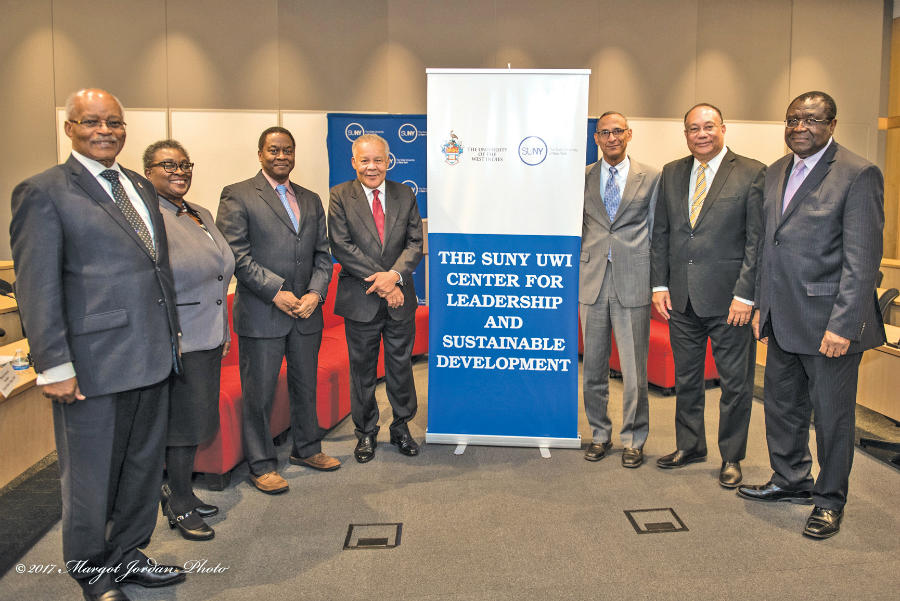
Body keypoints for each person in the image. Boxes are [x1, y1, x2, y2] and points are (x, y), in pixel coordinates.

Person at [10, 88, 184, 601]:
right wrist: (53, 365)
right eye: (92, 122)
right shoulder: (42, 192)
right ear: (70, 128)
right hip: (91, 365)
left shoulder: (138, 185)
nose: (105, 130)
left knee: (141, 468)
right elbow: (36, 287)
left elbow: (157, 268)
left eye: (114, 122)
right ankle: (92, 574)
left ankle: (128, 553)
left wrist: (172, 336)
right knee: (90, 476)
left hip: (152, 356)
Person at [738, 91, 885, 539]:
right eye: (792, 119)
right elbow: (768, 244)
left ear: (832, 124)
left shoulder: (858, 174)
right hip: (781, 320)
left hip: (829, 326)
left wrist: (844, 324)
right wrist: (761, 305)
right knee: (782, 409)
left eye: (811, 119)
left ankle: (828, 500)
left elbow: (862, 261)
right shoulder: (777, 171)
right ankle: (790, 479)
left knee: (832, 418)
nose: (800, 126)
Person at [216, 126, 339, 496]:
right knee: (260, 393)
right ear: (260, 154)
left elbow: (322, 252)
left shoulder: (311, 198)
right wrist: (277, 292)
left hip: (306, 313)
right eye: (273, 150)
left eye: (287, 150)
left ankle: (307, 449)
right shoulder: (237, 195)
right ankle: (261, 464)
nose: (281, 156)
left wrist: (317, 293)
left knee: (305, 385)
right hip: (263, 313)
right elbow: (236, 255)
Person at [650, 103, 765, 488]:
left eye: (708, 126)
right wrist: (659, 285)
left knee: (735, 384)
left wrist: (746, 296)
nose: (701, 134)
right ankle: (690, 446)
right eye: (693, 128)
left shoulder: (751, 172)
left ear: (723, 128)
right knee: (687, 379)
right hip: (680, 300)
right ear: (685, 134)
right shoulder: (671, 173)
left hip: (730, 302)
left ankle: (732, 456)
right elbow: (662, 234)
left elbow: (756, 242)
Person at [144, 140, 235, 541]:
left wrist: (225, 328)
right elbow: (148, 284)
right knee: (182, 423)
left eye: (184, 164)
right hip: (178, 338)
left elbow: (219, 275)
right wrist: (167, 333)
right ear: (147, 170)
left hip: (210, 332)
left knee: (197, 419)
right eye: (168, 165)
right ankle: (178, 504)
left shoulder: (198, 213)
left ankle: (182, 491)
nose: (179, 171)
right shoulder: (147, 217)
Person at [328, 133, 424, 463]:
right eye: (365, 160)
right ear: (354, 162)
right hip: (361, 300)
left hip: (400, 300)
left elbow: (414, 243)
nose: (372, 167)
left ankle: (401, 427)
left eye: (378, 160)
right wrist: (386, 284)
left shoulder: (404, 194)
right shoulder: (340, 196)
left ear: (388, 161)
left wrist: (394, 277)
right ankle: (366, 432)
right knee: (363, 372)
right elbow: (342, 247)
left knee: (400, 367)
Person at [580, 112, 660, 467]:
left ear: (629, 134)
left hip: (633, 279)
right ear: (596, 138)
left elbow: (658, 231)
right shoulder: (581, 177)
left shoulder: (652, 177)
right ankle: (599, 434)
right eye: (604, 133)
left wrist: (659, 283)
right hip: (592, 279)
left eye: (618, 132)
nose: (611, 138)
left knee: (633, 370)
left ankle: (633, 439)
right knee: (593, 367)